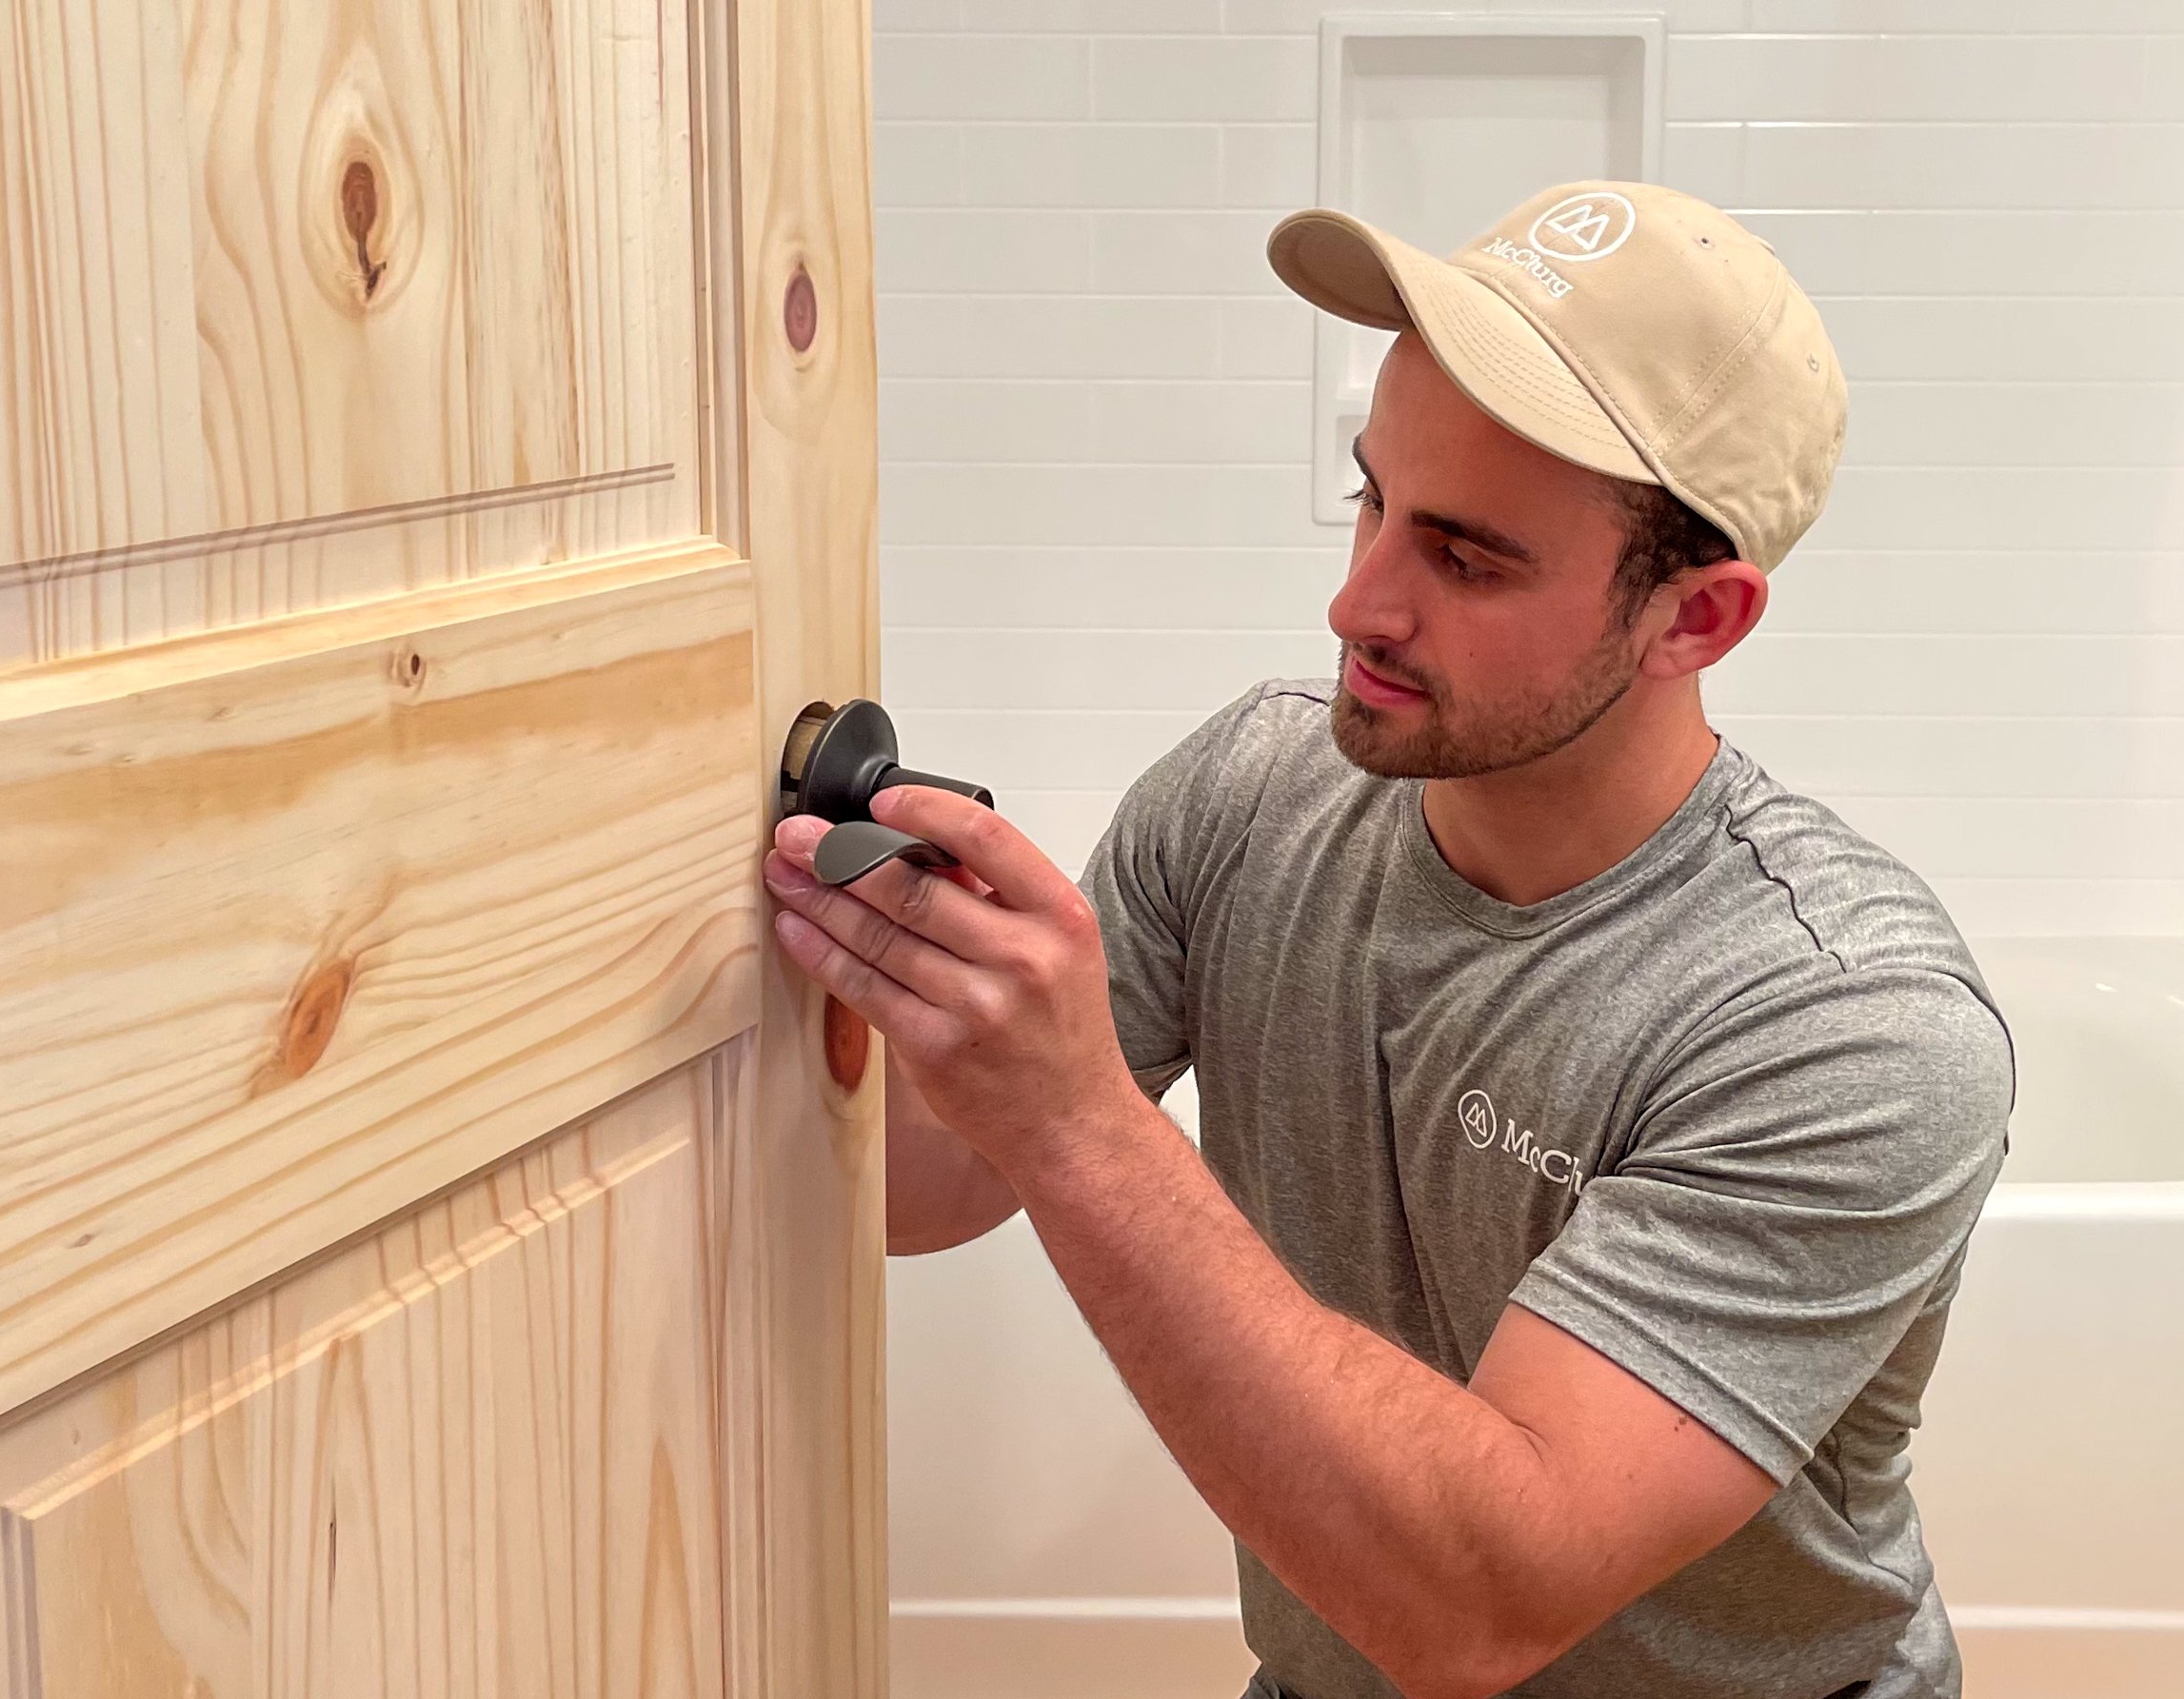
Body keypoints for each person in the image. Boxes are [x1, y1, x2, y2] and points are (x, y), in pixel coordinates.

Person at [761, 180, 2015, 1699]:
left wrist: (1077, 1116)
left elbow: (1474, 1608)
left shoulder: (1846, 1021)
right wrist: (843, 971)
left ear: (1695, 619)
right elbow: (931, 1183)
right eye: (1372, 498)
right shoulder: (1246, 797)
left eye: (1467, 557)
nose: (1355, 599)